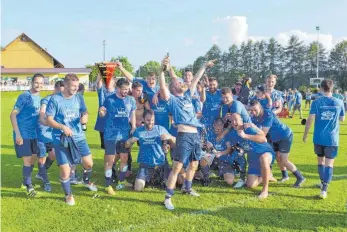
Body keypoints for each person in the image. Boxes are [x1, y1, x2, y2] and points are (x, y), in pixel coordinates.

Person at [159, 55, 216, 210]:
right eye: (178, 81)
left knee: (194, 163)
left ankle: (187, 188)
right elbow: (163, 86)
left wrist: (204, 65)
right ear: (173, 87)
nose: (182, 82)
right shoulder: (171, 99)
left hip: (195, 135)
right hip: (184, 135)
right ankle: (168, 197)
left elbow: (196, 78)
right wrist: (162, 71)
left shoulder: (188, 97)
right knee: (177, 167)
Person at [46, 73, 97, 206]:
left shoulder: (79, 98)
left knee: (89, 164)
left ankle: (86, 181)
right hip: (61, 139)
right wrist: (63, 127)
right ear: (66, 85)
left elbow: (84, 112)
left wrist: (85, 117)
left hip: (79, 137)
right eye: (73, 86)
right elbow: (49, 119)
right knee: (65, 170)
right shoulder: (55, 99)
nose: (76, 88)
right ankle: (68, 195)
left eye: (77, 85)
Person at [303, 79, 345, 199]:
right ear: (332, 88)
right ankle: (324, 188)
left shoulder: (317, 102)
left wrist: (305, 134)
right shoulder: (339, 101)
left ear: (321, 89)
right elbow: (342, 119)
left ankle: (322, 184)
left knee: (320, 162)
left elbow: (310, 119)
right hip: (332, 139)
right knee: (329, 164)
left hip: (318, 137)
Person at [249, 100, 306, 186]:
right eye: (251, 110)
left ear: (260, 107)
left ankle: (300, 177)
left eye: (255, 110)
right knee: (277, 157)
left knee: (284, 160)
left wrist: (252, 126)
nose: (253, 112)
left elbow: (263, 133)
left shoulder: (268, 114)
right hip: (274, 138)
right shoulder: (255, 116)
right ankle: (285, 176)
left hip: (284, 135)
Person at [99, 78, 136, 195]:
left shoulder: (131, 100)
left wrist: (134, 126)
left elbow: (133, 113)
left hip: (125, 134)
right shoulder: (109, 100)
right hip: (111, 134)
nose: (126, 91)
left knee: (124, 158)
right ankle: (107, 185)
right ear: (118, 89)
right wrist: (101, 113)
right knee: (110, 160)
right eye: (124, 89)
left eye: (127, 89)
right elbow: (102, 113)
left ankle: (121, 180)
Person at [10, 73, 44, 197]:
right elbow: (13, 114)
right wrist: (18, 134)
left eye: (41, 83)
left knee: (34, 158)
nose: (39, 85)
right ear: (32, 82)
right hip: (22, 132)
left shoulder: (40, 98)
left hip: (33, 133)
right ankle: (29, 187)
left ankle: (25, 181)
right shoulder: (24, 96)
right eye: (36, 82)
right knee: (28, 159)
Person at [125, 109, 175, 191]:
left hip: (161, 163)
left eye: (152, 120)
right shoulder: (139, 131)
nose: (151, 122)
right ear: (143, 119)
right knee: (138, 188)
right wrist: (130, 141)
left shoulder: (160, 129)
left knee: (172, 186)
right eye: (148, 120)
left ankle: (157, 179)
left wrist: (170, 137)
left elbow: (175, 142)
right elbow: (126, 146)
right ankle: (149, 179)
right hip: (145, 164)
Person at [227, 113, 274, 199]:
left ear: (241, 120)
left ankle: (265, 190)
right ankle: (268, 175)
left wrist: (245, 136)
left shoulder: (248, 128)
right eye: (232, 120)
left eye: (236, 119)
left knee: (263, 159)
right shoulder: (233, 134)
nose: (234, 122)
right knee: (250, 185)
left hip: (265, 151)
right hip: (253, 159)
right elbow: (240, 148)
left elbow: (263, 138)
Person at [35, 80, 65, 192]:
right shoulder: (46, 100)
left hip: (50, 134)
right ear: (55, 89)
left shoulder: (60, 101)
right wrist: (49, 122)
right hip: (40, 133)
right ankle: (46, 181)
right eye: (59, 92)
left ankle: (40, 173)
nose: (61, 95)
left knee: (52, 155)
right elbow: (42, 115)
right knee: (42, 158)